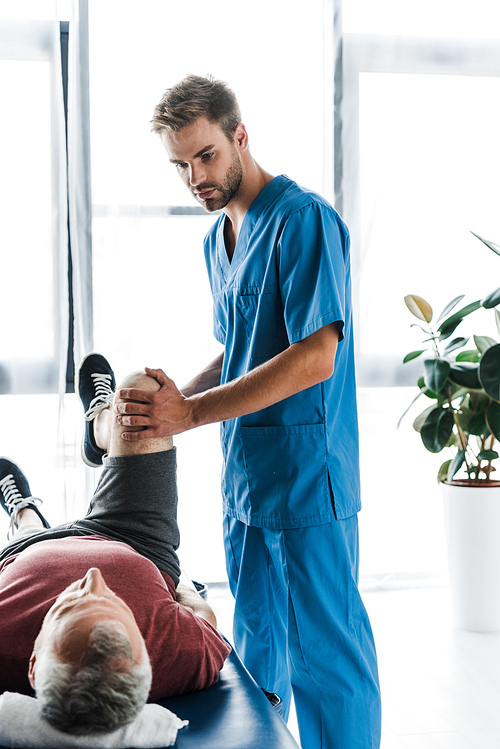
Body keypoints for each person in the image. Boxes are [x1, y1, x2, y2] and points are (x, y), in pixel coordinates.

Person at [113, 75, 381, 749]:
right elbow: (238, 351)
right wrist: (168, 403)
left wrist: (191, 413)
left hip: (304, 479)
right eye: (179, 164)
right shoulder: (217, 243)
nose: (193, 177)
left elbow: (316, 354)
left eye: (204, 156)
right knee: (259, 654)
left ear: (239, 136)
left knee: (327, 659)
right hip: (247, 485)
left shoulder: (302, 220)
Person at [0, 353, 230, 735]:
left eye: (67, 607)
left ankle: (23, 513)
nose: (92, 577)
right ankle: (99, 425)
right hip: (135, 538)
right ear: (145, 656)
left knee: (26, 534)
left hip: (25, 555)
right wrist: (176, 582)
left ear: (34, 662)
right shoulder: (180, 654)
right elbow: (205, 618)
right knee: (142, 392)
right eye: (112, 603)